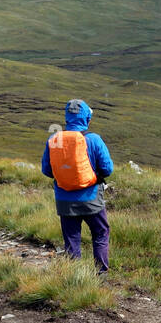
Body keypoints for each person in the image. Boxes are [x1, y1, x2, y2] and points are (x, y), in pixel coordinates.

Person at [41, 99, 113, 272]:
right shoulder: (94, 139)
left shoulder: (54, 139)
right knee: (100, 233)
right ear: (87, 118)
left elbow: (47, 170)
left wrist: (65, 177)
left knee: (72, 240)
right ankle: (100, 276)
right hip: (91, 198)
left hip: (64, 199)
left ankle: (75, 278)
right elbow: (107, 168)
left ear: (67, 117)